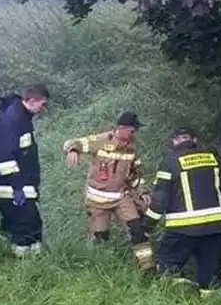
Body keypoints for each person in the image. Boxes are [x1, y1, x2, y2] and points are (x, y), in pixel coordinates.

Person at [146, 127, 221, 293]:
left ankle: (179, 295)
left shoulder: (169, 161)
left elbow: (160, 200)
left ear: (174, 141)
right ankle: (209, 304)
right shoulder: (213, 158)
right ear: (194, 140)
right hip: (215, 227)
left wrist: (147, 225)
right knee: (208, 272)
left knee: (166, 264)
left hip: (183, 228)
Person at [62, 112, 154, 275]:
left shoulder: (131, 148)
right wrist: (72, 150)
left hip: (120, 197)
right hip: (97, 200)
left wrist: (142, 192)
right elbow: (73, 142)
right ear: (122, 128)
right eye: (132, 131)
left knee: (137, 230)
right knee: (100, 238)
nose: (134, 135)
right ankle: (97, 271)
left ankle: (147, 269)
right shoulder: (101, 140)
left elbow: (134, 174)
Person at [0, 84, 49, 256]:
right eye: (41, 104)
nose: (43, 109)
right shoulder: (14, 119)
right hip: (13, 185)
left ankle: (26, 257)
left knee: (22, 224)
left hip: (17, 183)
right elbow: (4, 155)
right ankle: (23, 263)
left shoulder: (18, 116)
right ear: (30, 100)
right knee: (26, 224)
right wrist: (17, 187)